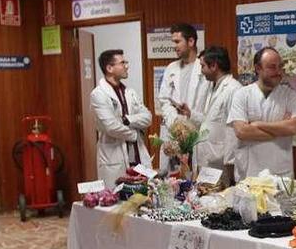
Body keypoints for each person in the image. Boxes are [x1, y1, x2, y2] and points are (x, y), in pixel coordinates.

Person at [227, 47, 296, 181]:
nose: (278, 71)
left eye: (280, 66)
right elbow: (241, 132)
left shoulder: (290, 95)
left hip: (280, 174)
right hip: (249, 173)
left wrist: (257, 124)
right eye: (272, 67)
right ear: (258, 68)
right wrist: (280, 130)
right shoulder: (242, 94)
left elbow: (292, 128)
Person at [177, 46, 242, 186]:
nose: (201, 71)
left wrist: (231, 166)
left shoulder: (234, 90)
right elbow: (209, 121)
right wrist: (191, 114)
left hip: (220, 162)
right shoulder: (212, 87)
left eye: (203, 66)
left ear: (214, 66)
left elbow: (233, 132)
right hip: (207, 159)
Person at [90, 49, 152, 188]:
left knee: (142, 196)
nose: (126, 66)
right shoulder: (98, 94)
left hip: (136, 154)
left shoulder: (130, 92)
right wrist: (134, 134)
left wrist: (128, 119)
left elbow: (148, 118)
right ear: (109, 68)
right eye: (122, 62)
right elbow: (110, 126)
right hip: (114, 156)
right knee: (117, 202)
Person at [157, 23, 210, 171]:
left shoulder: (204, 68)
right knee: (174, 180)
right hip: (174, 132)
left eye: (177, 41)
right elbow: (164, 100)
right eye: (173, 42)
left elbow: (209, 104)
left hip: (198, 132)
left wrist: (190, 123)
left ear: (191, 42)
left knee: (197, 177)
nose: (174, 46)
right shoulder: (171, 68)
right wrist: (176, 124)